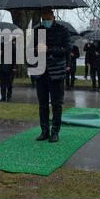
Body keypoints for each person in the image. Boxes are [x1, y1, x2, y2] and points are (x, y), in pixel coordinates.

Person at [33, 8, 71, 143]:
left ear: (53, 17)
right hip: (41, 72)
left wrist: (49, 50)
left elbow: (67, 49)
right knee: (42, 104)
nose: (46, 21)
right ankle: (44, 131)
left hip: (57, 72)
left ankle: (55, 132)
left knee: (56, 104)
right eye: (44, 19)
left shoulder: (62, 29)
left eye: (48, 19)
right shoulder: (36, 30)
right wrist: (36, 50)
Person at [0, 37, 17, 102]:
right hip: (1, 67)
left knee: (9, 83)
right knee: (2, 83)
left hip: (10, 68)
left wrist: (14, 67)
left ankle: (9, 96)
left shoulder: (12, 46)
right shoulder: (0, 45)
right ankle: (3, 97)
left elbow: (15, 57)